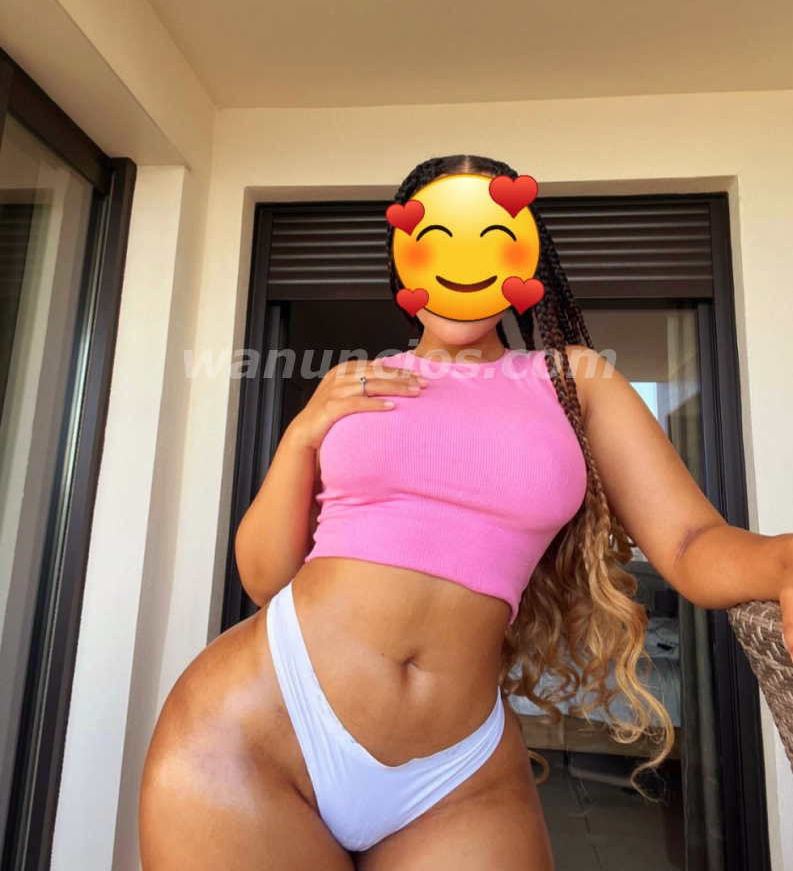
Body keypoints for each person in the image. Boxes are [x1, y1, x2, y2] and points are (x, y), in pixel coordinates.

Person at [139, 154, 793, 870]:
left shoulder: (573, 381)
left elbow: (691, 542)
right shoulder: (356, 383)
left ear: (524, 260)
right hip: (259, 728)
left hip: (455, 774)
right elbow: (266, 579)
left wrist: (783, 559)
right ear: (403, 262)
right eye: (438, 242)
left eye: (489, 240)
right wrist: (300, 436)